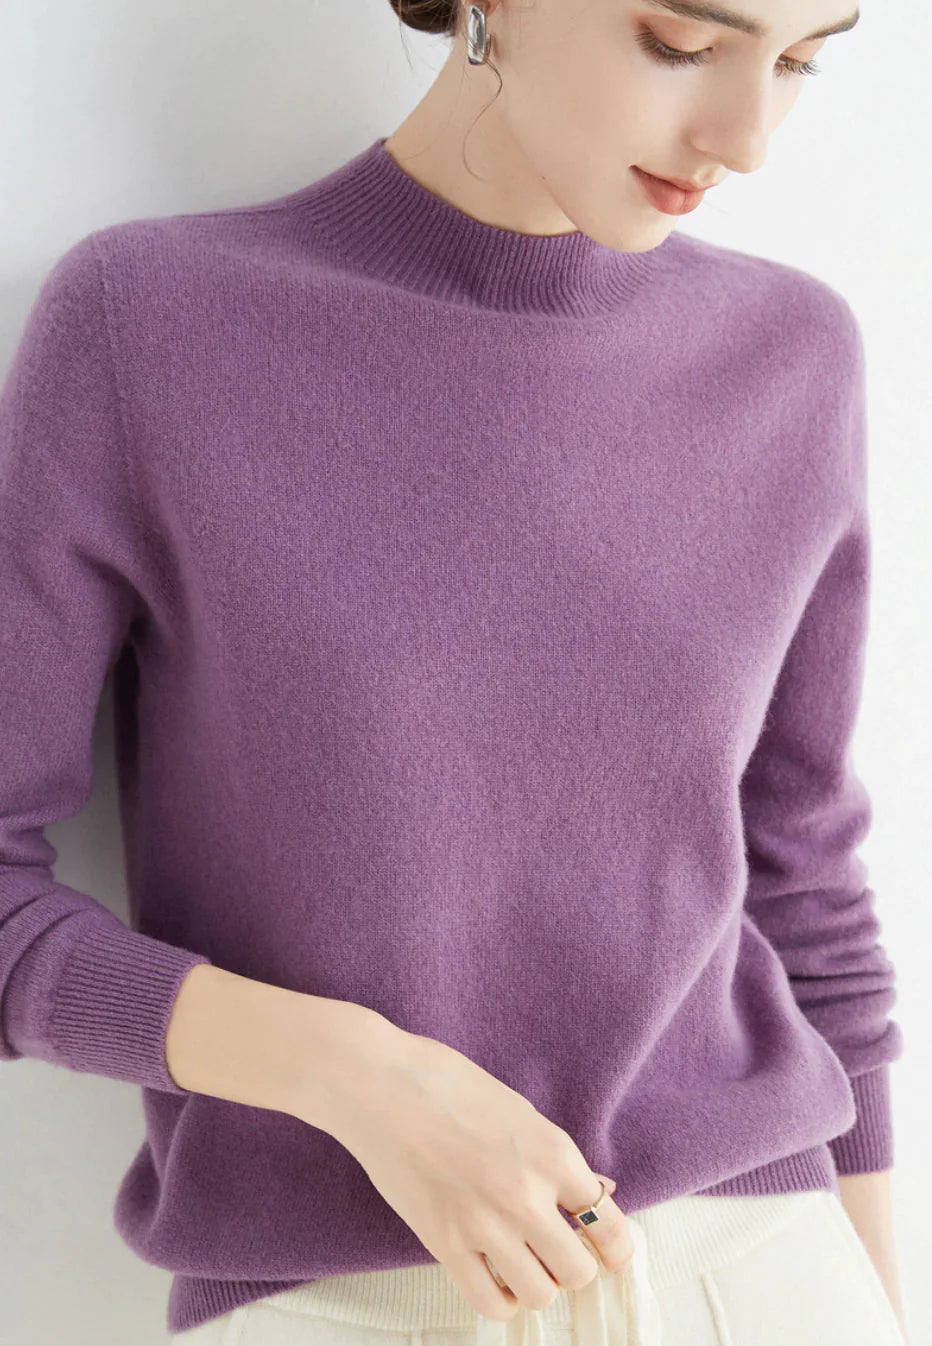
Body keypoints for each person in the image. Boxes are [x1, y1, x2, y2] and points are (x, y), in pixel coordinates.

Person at [0, 0, 910, 1342]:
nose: (748, 138)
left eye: (800, 61)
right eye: (681, 43)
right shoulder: (150, 328)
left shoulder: (792, 354)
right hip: (340, 1301)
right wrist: (357, 1077)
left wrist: (884, 1302)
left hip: (771, 1270)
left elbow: (805, 873)